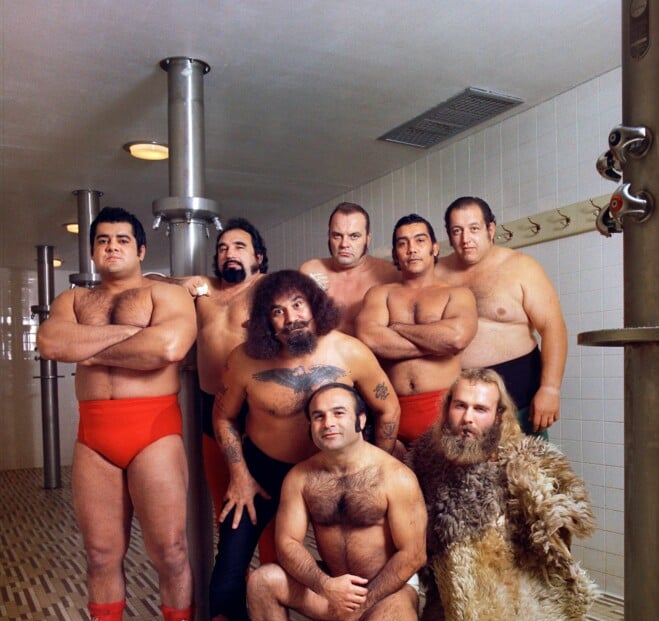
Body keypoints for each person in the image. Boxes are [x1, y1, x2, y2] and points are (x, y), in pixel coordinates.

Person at [200, 270, 401, 621]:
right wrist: (239, 474)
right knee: (229, 568)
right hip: (262, 473)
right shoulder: (243, 360)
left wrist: (374, 466)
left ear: (314, 305)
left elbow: (387, 407)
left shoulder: (349, 351)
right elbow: (224, 418)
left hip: (330, 472)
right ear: (265, 321)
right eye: (277, 311)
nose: (290, 317)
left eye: (297, 304)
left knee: (357, 555)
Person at [36, 206, 201, 621]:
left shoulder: (166, 295)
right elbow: (50, 342)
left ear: (141, 249)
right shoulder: (73, 299)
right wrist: (134, 338)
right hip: (94, 437)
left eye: (122, 239)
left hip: (153, 430)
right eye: (103, 240)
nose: (112, 247)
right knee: (100, 554)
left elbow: (168, 347)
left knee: (171, 551)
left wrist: (85, 349)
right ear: (92, 250)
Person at [407, 369, 596, 621]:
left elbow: (560, 527)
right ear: (446, 408)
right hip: (453, 581)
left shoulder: (523, 457)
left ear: (499, 415)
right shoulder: (427, 453)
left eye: (480, 409)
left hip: (511, 577)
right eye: (460, 406)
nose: (467, 418)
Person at [223, 382, 427, 621]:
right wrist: (325, 585)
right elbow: (287, 544)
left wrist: (366, 601)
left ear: (361, 420)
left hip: (387, 588)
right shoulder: (301, 477)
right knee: (262, 580)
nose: (328, 422)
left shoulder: (395, 476)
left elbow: (413, 555)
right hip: (333, 586)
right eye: (318, 416)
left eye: (338, 413)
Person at [153, 218, 276, 564]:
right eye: (222, 248)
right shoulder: (204, 290)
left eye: (239, 247)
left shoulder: (268, 288)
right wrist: (184, 282)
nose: (229, 253)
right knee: (225, 505)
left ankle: (273, 585)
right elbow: (151, 281)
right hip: (212, 408)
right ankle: (233, 586)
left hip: (257, 411)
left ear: (259, 257)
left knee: (268, 512)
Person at [436, 196, 568, 435]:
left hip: (520, 401)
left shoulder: (521, 267)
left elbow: (553, 327)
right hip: (460, 407)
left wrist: (550, 388)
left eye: (474, 229)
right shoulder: (436, 273)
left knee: (525, 460)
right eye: (457, 231)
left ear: (490, 229)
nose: (466, 239)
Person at [355, 213, 477, 450]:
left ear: (434, 248)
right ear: (395, 254)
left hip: (443, 411)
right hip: (390, 410)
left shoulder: (457, 294)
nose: (411, 249)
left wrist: (397, 328)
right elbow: (369, 339)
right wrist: (435, 345)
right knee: (390, 475)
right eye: (403, 243)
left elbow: (455, 339)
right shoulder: (380, 294)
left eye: (420, 240)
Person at [299, 202, 397, 335]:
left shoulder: (389, 274)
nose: (344, 244)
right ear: (329, 236)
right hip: (322, 347)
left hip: (366, 348)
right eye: (337, 235)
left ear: (368, 239)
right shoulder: (311, 271)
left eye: (354, 236)